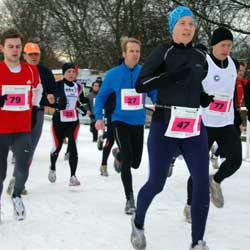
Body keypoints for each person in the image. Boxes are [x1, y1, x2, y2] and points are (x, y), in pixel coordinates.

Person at [130, 6, 213, 250]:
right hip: (164, 126)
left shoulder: (200, 55)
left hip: (193, 127)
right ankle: (138, 222)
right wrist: (169, 77)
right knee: (156, 182)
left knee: (201, 182)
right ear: (173, 27)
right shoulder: (163, 52)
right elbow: (141, 84)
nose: (188, 28)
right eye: (182, 23)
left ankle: (197, 241)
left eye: (191, 23)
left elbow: (195, 85)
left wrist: (203, 97)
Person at [184, 27, 247, 225]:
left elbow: (231, 96)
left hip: (226, 121)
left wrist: (237, 120)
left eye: (229, 45)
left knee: (236, 159)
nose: (226, 48)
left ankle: (216, 180)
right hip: (205, 123)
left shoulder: (234, 64)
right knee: (198, 169)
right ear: (213, 45)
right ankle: (190, 205)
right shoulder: (204, 62)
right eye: (222, 45)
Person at [94, 37, 156, 215]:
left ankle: (118, 153)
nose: (135, 54)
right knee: (128, 160)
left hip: (138, 121)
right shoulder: (113, 74)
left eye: (138, 51)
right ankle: (129, 199)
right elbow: (101, 97)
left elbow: (153, 91)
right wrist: (98, 117)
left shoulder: (144, 72)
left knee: (135, 162)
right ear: (124, 53)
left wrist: (159, 102)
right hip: (119, 120)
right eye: (131, 51)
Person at [0, 29, 41, 221]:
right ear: (2, 48)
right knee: (0, 174)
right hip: (1, 130)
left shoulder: (30, 71)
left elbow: (37, 89)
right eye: (10, 47)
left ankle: (16, 195)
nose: (15, 50)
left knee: (23, 167)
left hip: (22, 130)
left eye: (17, 46)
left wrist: (34, 107)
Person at [6, 42, 56, 195]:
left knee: (30, 148)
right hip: (15, 113)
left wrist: (51, 98)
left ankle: (18, 181)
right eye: (30, 54)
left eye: (36, 54)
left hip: (36, 113)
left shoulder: (45, 72)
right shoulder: (16, 69)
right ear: (24, 55)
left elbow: (52, 93)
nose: (34, 57)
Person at [48, 63, 86, 186]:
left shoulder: (78, 86)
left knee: (73, 147)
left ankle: (73, 176)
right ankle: (52, 167)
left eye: (73, 72)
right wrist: (57, 104)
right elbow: (49, 100)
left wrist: (82, 108)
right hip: (59, 120)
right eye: (68, 72)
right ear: (64, 73)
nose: (71, 74)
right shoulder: (57, 85)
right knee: (57, 147)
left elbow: (76, 101)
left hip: (73, 121)